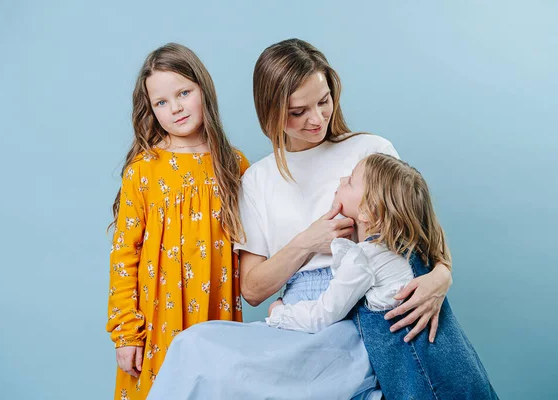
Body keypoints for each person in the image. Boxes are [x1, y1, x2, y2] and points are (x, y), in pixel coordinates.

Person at [148, 38, 453, 400]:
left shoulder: (370, 152)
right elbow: (253, 289)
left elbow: (425, 238)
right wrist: (309, 241)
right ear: (271, 111)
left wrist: (442, 276)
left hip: (364, 319)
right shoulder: (258, 180)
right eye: (297, 111)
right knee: (193, 346)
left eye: (324, 101)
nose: (316, 119)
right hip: (297, 319)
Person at [267, 153, 498, 399]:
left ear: (367, 211)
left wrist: (279, 313)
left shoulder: (364, 258)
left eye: (351, 181)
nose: (343, 179)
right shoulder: (414, 247)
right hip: (466, 375)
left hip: (425, 388)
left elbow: (322, 314)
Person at [106, 43, 249, 400]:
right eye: (162, 102)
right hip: (157, 324)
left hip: (217, 320)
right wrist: (126, 333)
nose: (176, 108)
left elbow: (261, 245)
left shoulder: (234, 165)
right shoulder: (143, 170)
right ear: (151, 110)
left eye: (184, 92)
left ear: (204, 88)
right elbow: (124, 255)